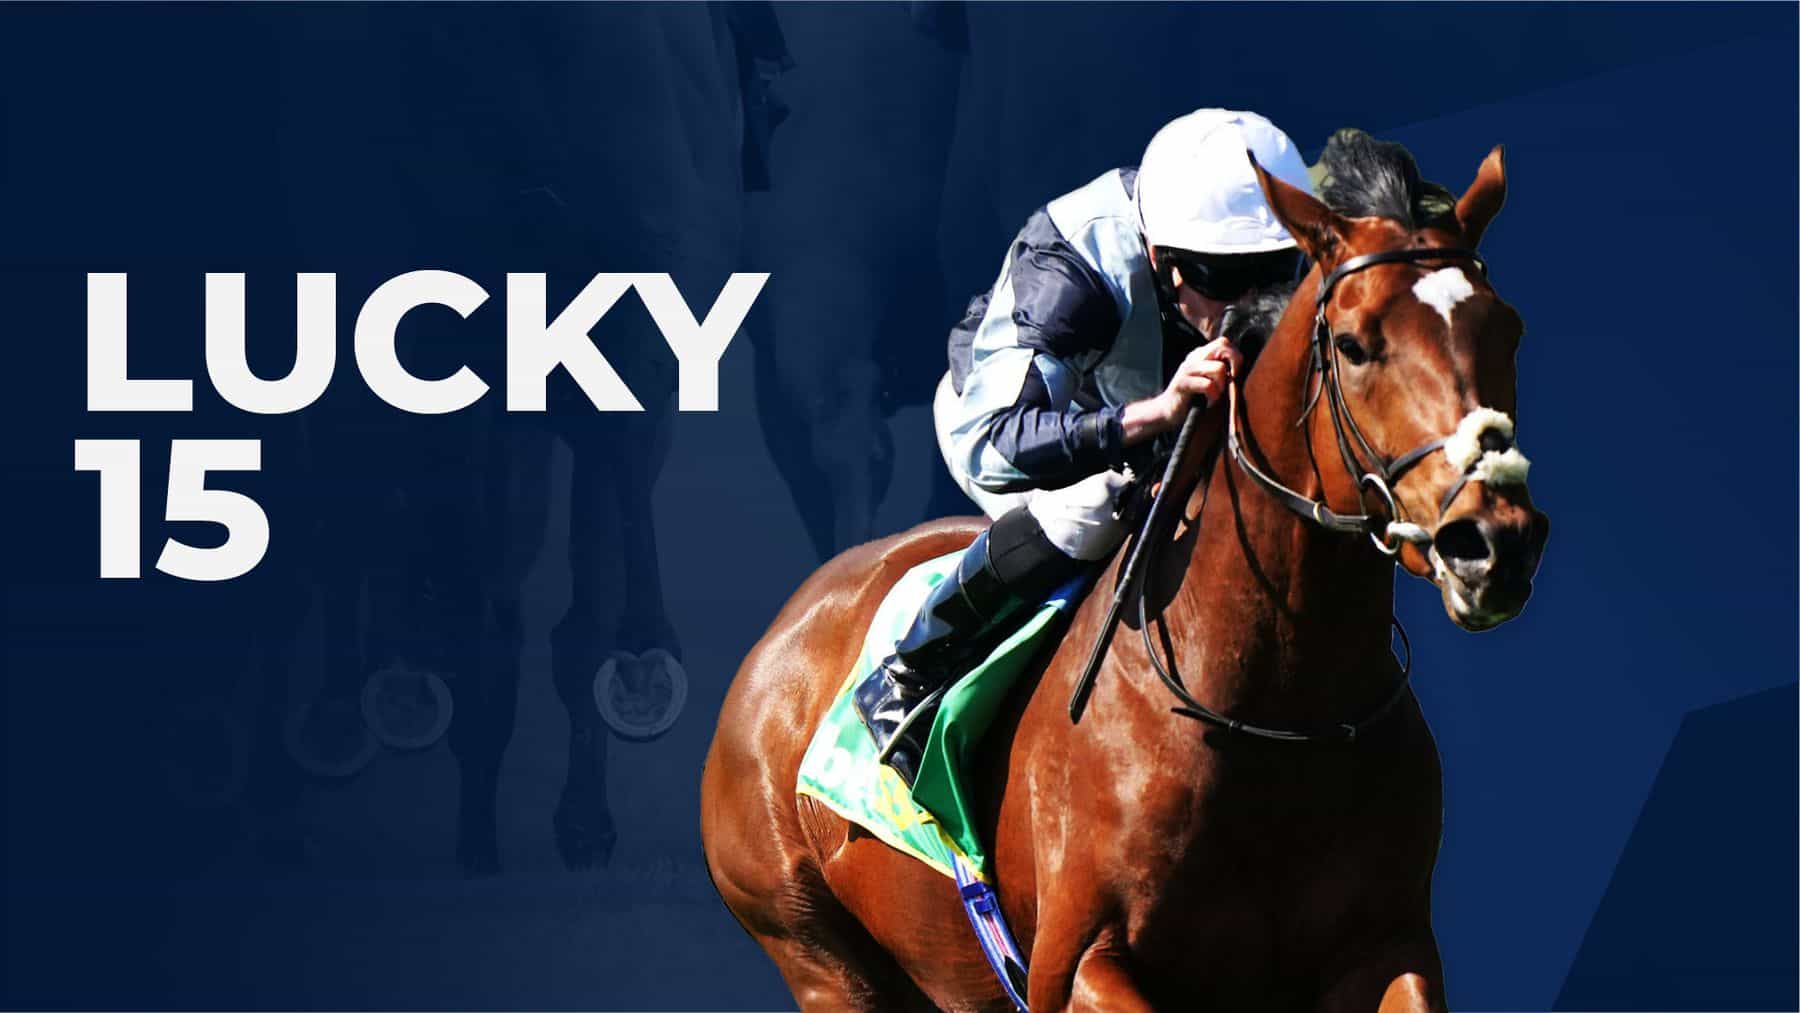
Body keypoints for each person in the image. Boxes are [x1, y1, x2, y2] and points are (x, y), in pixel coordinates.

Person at [853, 109, 1318, 786]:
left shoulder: (1273, 234)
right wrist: (1154, 414)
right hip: (1023, 419)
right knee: (1101, 502)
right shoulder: (1073, 267)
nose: (1249, 303)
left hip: (1159, 416)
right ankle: (910, 670)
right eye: (1220, 279)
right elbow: (996, 442)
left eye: (1273, 272)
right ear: (1163, 260)